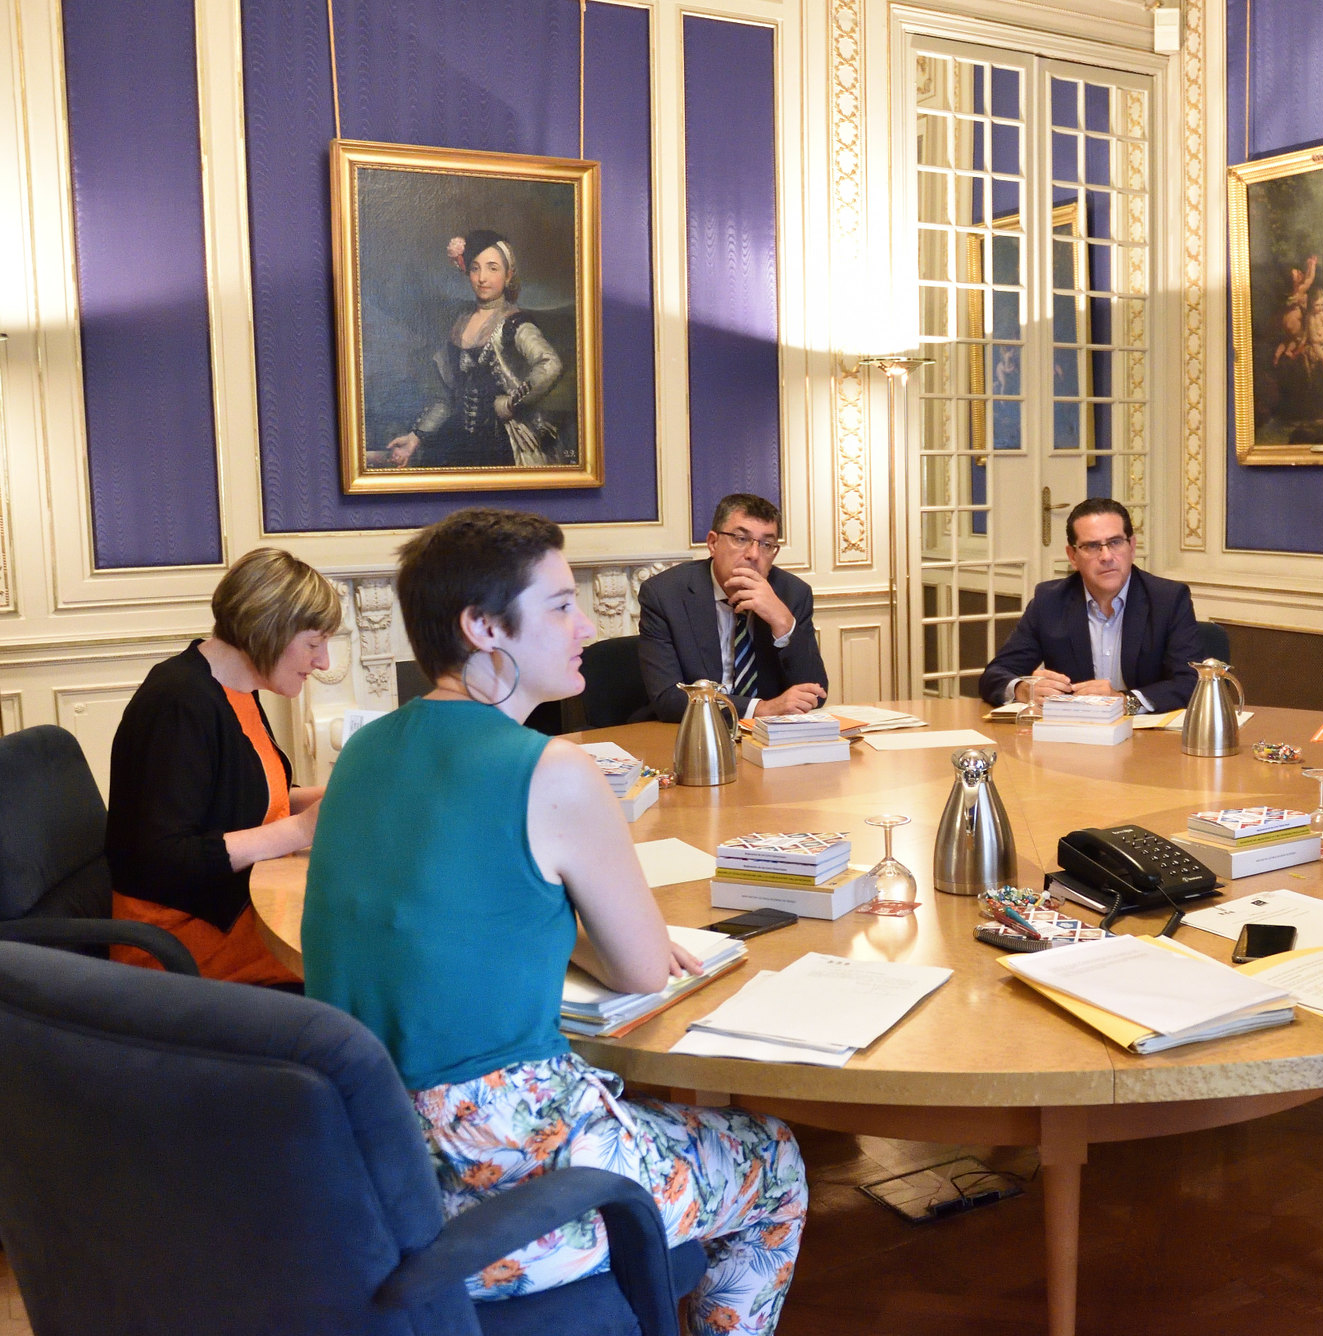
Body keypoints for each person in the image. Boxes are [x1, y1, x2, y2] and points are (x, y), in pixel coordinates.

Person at [301, 509, 805, 1330]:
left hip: (367, 1180)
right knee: (775, 1160)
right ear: (482, 627)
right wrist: (618, 938)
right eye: (563, 604)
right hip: (505, 1183)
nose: (586, 625)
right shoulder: (554, 769)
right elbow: (644, 972)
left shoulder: (362, 752)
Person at [105, 549, 340, 986]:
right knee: (357, 961)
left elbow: (241, 797)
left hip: (229, 911)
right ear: (267, 631)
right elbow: (163, 858)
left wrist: (338, 795)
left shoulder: (235, 687)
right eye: (313, 643)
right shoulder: (179, 702)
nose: (324, 661)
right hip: (182, 947)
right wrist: (303, 829)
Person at [978, 497, 1202, 713]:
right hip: (1075, 736)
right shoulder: (1050, 601)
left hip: (1149, 739)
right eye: (1092, 546)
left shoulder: (1168, 599)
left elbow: (1191, 682)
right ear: (1072, 556)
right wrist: (1024, 690)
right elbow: (995, 674)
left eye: (1115, 543)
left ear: (1132, 547)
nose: (1106, 556)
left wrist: (1126, 701)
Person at [373, 229, 565, 471]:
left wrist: (511, 403)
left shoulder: (515, 323)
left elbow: (550, 364)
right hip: (459, 442)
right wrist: (414, 439)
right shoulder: (459, 323)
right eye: (475, 268)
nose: (482, 277)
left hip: (502, 442)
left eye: (492, 268)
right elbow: (447, 398)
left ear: (508, 275)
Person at [637, 493, 828, 720]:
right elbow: (668, 698)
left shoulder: (793, 594)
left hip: (768, 740)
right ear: (713, 543)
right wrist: (760, 709)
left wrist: (784, 624)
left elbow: (815, 694)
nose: (753, 554)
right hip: (693, 735)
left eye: (766, 544)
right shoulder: (665, 595)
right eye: (740, 539)